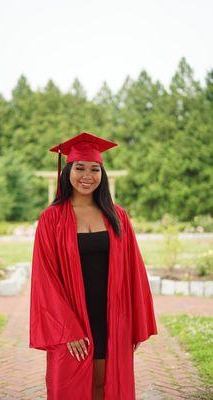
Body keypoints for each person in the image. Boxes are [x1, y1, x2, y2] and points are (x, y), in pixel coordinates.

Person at [29, 131, 158, 400]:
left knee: (105, 383)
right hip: (72, 315)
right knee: (71, 384)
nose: (87, 176)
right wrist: (67, 327)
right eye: (80, 168)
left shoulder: (117, 215)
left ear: (103, 174)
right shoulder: (51, 219)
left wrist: (133, 322)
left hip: (112, 315)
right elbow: (46, 277)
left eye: (94, 169)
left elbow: (135, 271)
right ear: (67, 171)